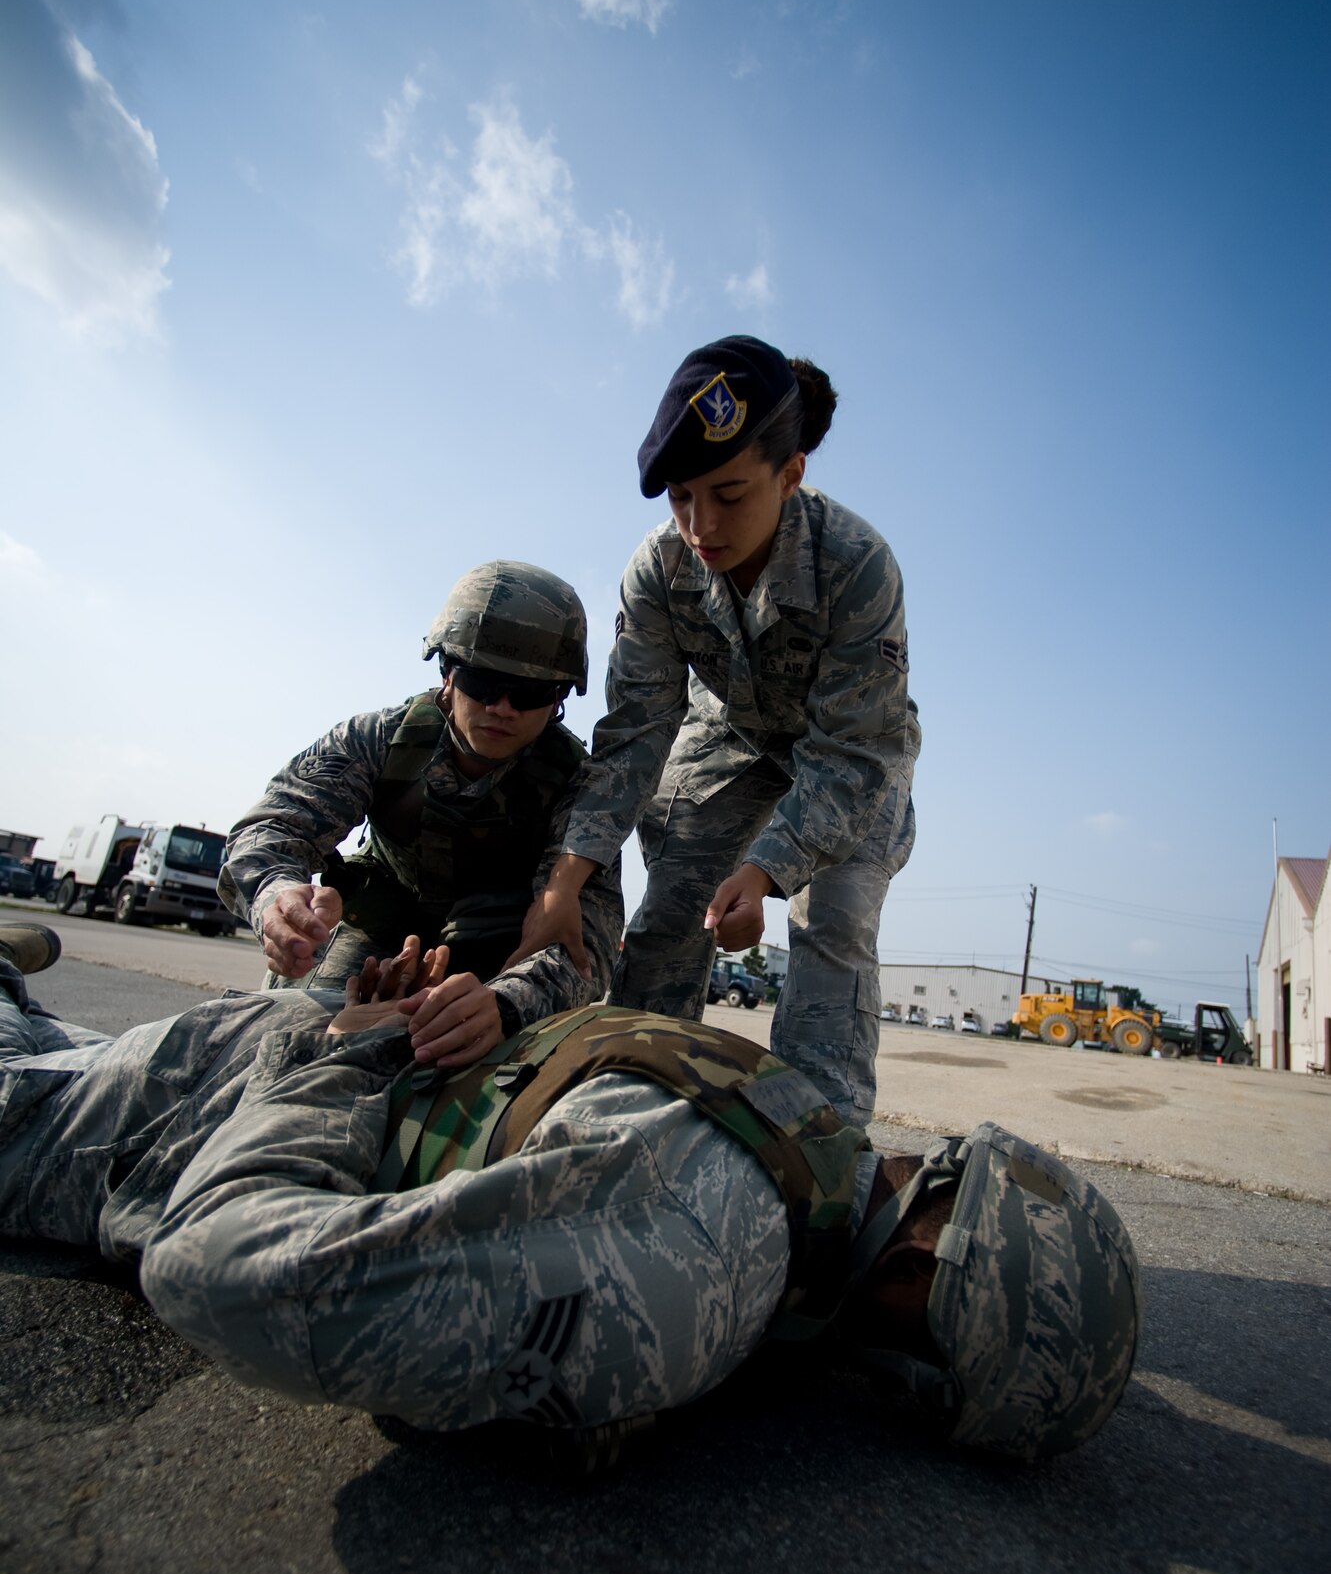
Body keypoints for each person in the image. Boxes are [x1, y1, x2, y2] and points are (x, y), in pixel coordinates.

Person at [0, 926, 1140, 1461]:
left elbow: (226, 1265)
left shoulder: (787, 1120)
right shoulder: (707, 1252)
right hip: (193, 1108)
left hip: (198, 1083)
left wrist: (352, 1047)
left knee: (47, 1062)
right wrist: (355, 1055)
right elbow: (223, 1269)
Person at [508, 337, 922, 1128]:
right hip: (729, 736)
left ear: (790, 474)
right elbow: (633, 734)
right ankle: (627, 1104)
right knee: (671, 909)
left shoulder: (857, 566)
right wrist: (565, 884)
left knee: (831, 919)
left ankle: (817, 1140)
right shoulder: (659, 571)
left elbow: (848, 753)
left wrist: (766, 872)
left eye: (730, 495)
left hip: (851, 751)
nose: (701, 524)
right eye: (680, 497)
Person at [220, 561, 623, 1070]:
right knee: (297, 1036)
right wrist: (276, 899)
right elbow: (273, 826)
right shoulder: (380, 740)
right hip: (379, 925)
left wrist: (506, 1004)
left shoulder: (579, 789)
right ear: (447, 673)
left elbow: (588, 945)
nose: (501, 708)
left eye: (529, 694)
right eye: (482, 682)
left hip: (504, 947)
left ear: (560, 699)